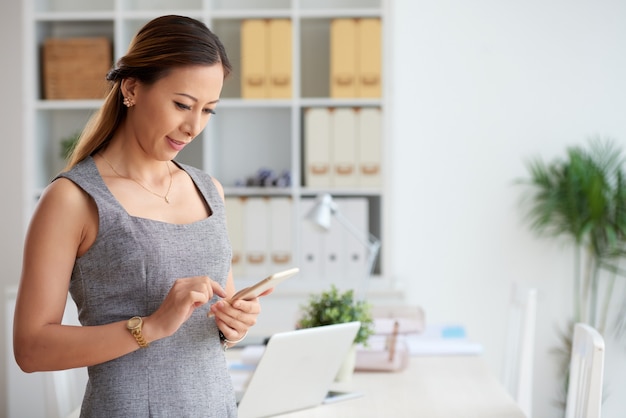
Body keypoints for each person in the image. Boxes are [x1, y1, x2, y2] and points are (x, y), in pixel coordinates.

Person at [13, 15, 265, 417]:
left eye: (208, 111)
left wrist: (233, 323)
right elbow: (30, 349)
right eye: (182, 104)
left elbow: (214, 321)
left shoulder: (209, 191)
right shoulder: (72, 199)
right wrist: (151, 327)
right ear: (131, 88)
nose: (193, 126)